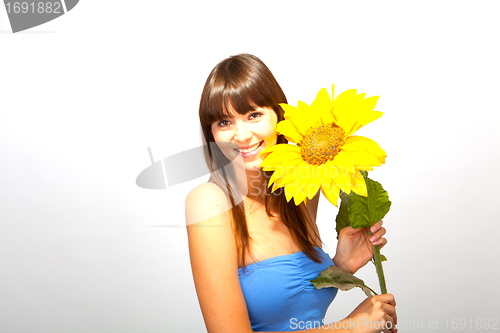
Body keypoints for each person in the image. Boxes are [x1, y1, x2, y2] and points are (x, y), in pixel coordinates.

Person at [185, 53, 397, 333]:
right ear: (211, 132)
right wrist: (349, 328)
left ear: (279, 117)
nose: (242, 135)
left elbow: (294, 300)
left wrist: (340, 267)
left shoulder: (300, 188)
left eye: (254, 115)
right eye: (224, 122)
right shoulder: (210, 203)